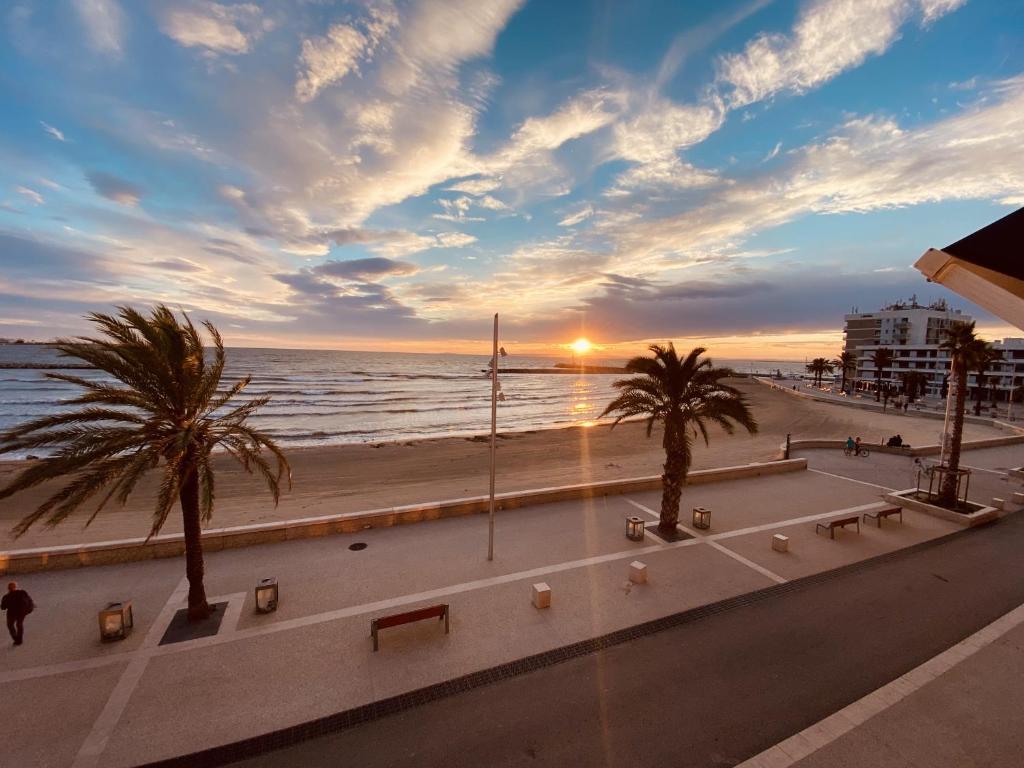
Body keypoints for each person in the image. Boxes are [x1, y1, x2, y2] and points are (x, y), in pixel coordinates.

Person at [2, 581, 33, 646]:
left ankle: (16, 639)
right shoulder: (22, 592)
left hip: (11, 613)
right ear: (16, 587)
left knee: (10, 625)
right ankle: (20, 639)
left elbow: (3, 607)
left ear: (8, 588)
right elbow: (30, 600)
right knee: (19, 624)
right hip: (22, 612)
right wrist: (30, 609)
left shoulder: (6, 597)